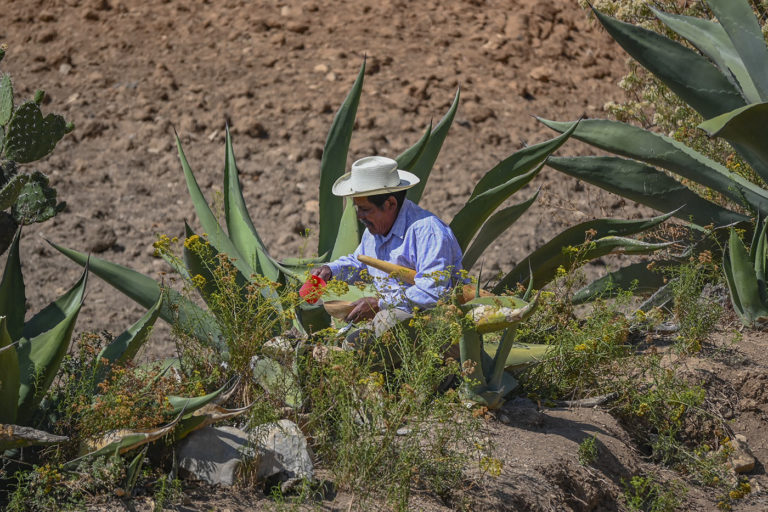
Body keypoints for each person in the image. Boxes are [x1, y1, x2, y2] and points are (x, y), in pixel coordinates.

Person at [313, 155, 464, 337]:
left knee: (383, 326)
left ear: (390, 204)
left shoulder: (427, 231)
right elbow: (360, 263)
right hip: (389, 320)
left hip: (431, 326)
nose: (359, 216)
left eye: (365, 209)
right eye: (357, 208)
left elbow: (432, 293)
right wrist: (331, 270)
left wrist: (380, 304)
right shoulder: (373, 231)